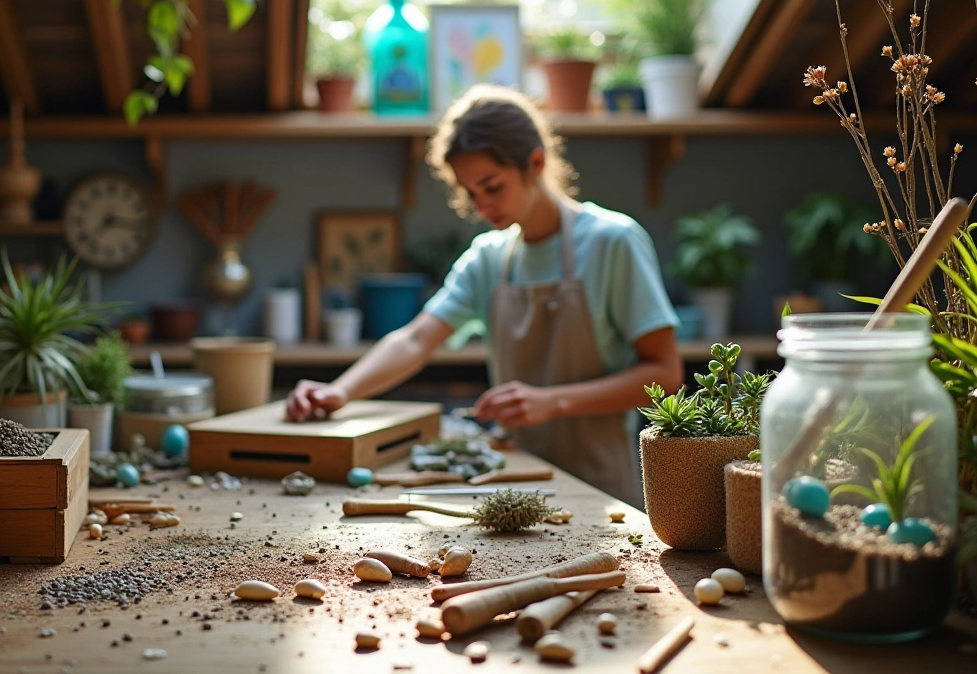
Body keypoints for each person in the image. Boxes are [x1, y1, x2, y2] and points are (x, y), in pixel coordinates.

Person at [285, 84, 683, 506]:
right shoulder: (488, 258)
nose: (481, 206)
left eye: (492, 186)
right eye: (470, 193)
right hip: (515, 485)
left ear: (535, 163)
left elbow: (665, 373)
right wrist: (341, 391)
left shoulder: (612, 241)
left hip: (603, 491)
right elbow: (415, 339)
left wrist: (554, 402)